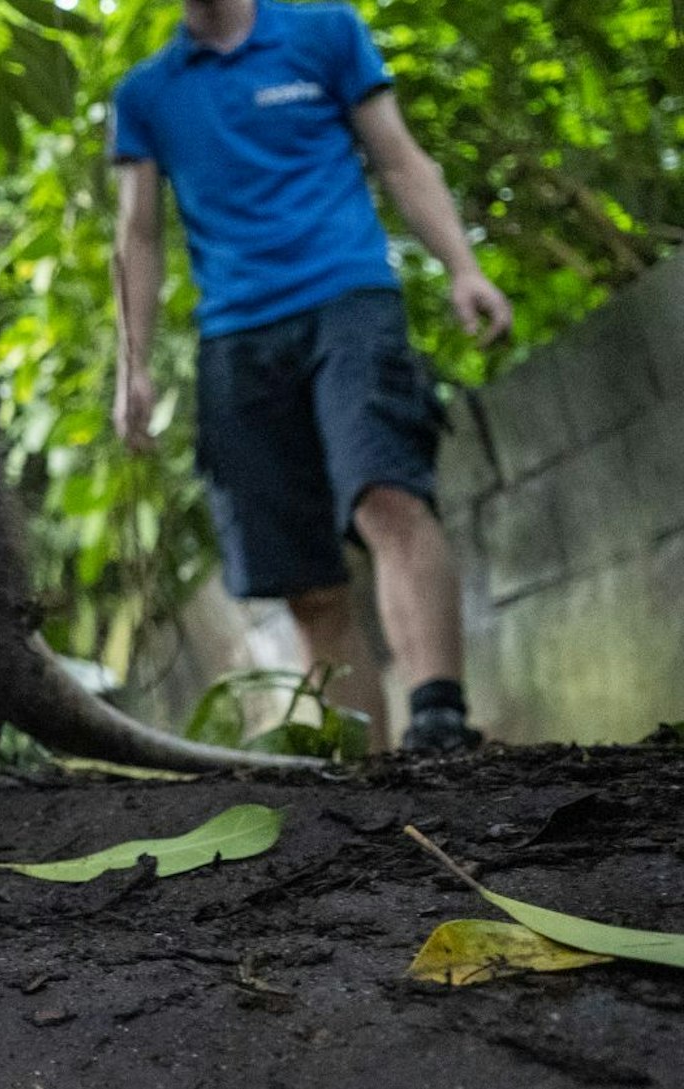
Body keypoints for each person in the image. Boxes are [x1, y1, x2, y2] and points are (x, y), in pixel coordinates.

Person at [108, 0, 512, 753]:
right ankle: (364, 777)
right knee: (306, 581)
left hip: (348, 299)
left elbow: (398, 156)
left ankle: (440, 720)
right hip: (236, 337)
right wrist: (132, 367)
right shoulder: (146, 94)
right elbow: (137, 234)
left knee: (386, 495)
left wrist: (466, 269)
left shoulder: (326, 32)